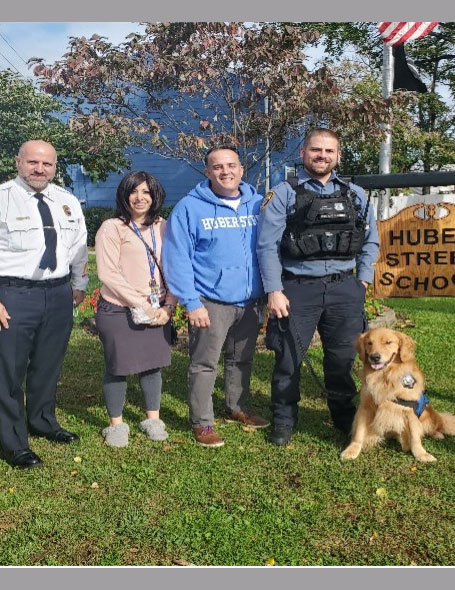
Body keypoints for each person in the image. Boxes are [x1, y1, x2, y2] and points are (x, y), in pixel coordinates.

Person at [256, 128, 380, 446]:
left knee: (342, 360)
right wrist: (274, 289)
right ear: (303, 153)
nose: (322, 156)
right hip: (297, 288)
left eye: (329, 151)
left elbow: (371, 240)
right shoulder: (283, 193)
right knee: (288, 360)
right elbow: (267, 246)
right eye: (316, 150)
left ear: (338, 156)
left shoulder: (355, 194)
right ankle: (283, 422)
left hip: (344, 289)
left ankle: (343, 419)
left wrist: (363, 279)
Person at [163, 146, 268, 448]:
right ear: (207, 172)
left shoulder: (258, 204)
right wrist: (191, 302)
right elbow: (177, 257)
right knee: (204, 364)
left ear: (241, 169)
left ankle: (237, 407)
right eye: (217, 167)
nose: (225, 172)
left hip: (250, 301)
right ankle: (203, 422)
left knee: (242, 360)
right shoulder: (189, 208)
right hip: (210, 301)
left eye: (231, 165)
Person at [0, 139, 88, 468]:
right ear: (18, 162)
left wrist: (78, 285)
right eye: (32, 162)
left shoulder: (66, 200)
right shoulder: (3, 197)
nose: (40, 169)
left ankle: (42, 421)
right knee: (8, 370)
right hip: (13, 293)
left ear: (54, 166)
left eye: (47, 164)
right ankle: (13, 441)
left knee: (48, 365)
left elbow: (79, 245)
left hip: (58, 293)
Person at [94, 171, 177, 447]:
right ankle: (116, 425)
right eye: (134, 191)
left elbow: (175, 268)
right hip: (119, 308)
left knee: (152, 367)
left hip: (158, 308)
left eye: (146, 192)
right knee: (117, 367)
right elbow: (108, 273)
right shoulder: (112, 227)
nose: (140, 198)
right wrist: (141, 304)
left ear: (155, 196)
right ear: (124, 195)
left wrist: (169, 305)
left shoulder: (165, 227)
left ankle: (152, 418)